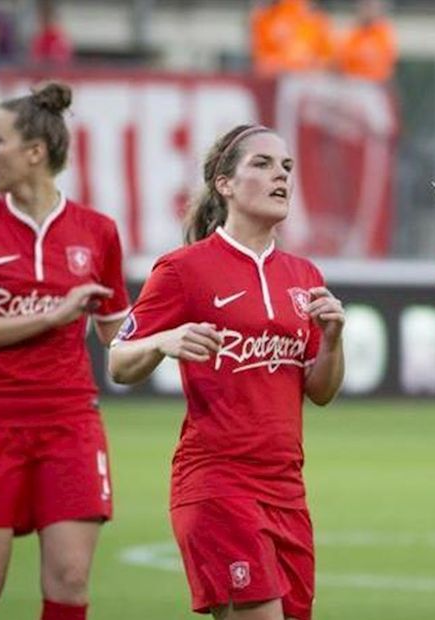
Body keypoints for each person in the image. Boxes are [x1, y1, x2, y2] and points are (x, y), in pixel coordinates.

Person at [108, 124, 346, 620]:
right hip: (217, 483)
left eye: (286, 167)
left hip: (286, 490)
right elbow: (119, 361)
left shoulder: (304, 276)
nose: (280, 176)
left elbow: (320, 392)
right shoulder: (183, 270)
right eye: (262, 164)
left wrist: (333, 340)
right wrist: (162, 342)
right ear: (225, 183)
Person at [0, 82, 131, 620]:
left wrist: (176, 325)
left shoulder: (99, 232)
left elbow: (116, 335)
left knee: (71, 580)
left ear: (35, 152)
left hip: (69, 419)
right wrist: (52, 315)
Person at [249, 0, 333, 78]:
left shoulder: (316, 17)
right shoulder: (265, 16)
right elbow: (261, 64)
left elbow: (325, 60)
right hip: (277, 81)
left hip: (308, 81)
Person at [334, 0, 397, 82]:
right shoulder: (352, 33)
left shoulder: (383, 33)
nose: (365, 9)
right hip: (349, 84)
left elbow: (383, 69)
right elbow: (340, 62)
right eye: (363, 5)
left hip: (372, 85)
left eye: (369, 5)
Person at [29, 0, 73, 65]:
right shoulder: (39, 39)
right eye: (43, 18)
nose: (45, 21)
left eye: (48, 18)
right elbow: (35, 59)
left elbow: (63, 60)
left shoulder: (60, 39)